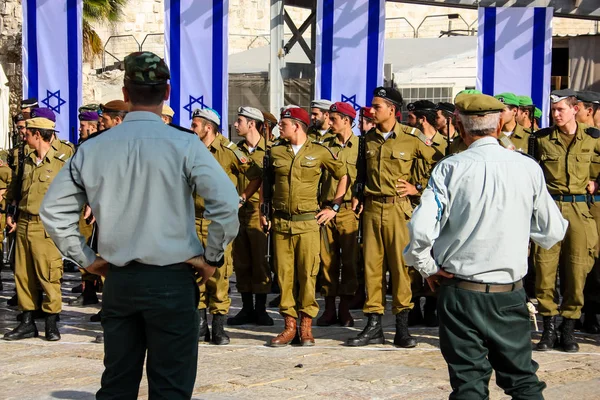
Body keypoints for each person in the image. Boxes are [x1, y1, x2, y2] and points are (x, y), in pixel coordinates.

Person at [39, 51, 239, 399]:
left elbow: (53, 212)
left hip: (120, 281)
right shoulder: (185, 144)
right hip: (173, 281)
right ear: (167, 93)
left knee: (117, 384)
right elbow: (225, 205)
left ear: (125, 93)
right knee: (171, 388)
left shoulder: (92, 148)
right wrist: (212, 257)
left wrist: (86, 258)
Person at [404, 92, 567, 400]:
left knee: (468, 385)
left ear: (460, 127)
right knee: (522, 381)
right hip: (508, 291)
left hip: (460, 290)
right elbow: (553, 230)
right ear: (499, 125)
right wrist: (517, 230)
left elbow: (421, 229)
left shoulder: (450, 168)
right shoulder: (527, 168)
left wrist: (426, 267)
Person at [346, 87, 435, 348]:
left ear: (392, 110)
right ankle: (373, 325)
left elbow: (440, 166)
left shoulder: (412, 137)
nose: (371, 111)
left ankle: (402, 327)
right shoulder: (368, 139)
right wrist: (357, 195)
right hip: (373, 209)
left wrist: (417, 188)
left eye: (377, 106)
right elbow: (361, 174)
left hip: (399, 209)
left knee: (400, 268)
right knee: (372, 268)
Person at [262, 106, 348, 347]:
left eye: (284, 123)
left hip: (308, 224)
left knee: (308, 275)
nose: (281, 126)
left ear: (297, 126)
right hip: (281, 223)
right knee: (284, 276)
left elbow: (343, 174)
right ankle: (289, 326)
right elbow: (266, 184)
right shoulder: (276, 151)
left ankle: (306, 327)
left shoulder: (319, 152)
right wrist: (263, 211)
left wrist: (334, 207)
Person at [532, 89, 600, 353]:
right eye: (553, 110)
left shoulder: (593, 138)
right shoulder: (541, 139)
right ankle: (548, 326)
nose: (555, 114)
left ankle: (569, 326)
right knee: (545, 269)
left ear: (575, 109)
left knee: (577, 270)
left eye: (561, 109)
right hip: (549, 208)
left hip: (580, 211)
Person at [190, 107, 262, 345]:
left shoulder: (229, 152)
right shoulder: (191, 150)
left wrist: (242, 198)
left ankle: (219, 325)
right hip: (193, 219)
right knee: (195, 273)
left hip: (218, 221)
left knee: (219, 272)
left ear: (207, 128)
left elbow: (255, 174)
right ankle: (200, 325)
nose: (192, 130)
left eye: (195, 126)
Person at [2, 115, 71, 342]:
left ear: (38, 135)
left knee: (49, 274)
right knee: (23, 274)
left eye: (28, 133)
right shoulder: (29, 159)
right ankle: (27, 322)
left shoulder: (62, 161)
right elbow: (18, 188)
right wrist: (11, 213)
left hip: (46, 225)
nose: (24, 136)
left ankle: (51, 323)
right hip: (23, 222)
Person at [228, 106, 273, 326]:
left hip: (258, 211)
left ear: (252, 124)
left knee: (260, 260)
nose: (236, 125)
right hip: (239, 211)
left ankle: (261, 309)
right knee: (242, 261)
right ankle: (246, 308)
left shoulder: (270, 150)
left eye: (240, 121)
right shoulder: (235, 150)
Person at [316, 102, 359, 328]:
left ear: (346, 120)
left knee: (350, 262)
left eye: (333, 119)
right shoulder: (323, 145)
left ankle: (345, 308)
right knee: (327, 261)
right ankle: (329, 308)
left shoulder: (360, 146)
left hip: (348, 212)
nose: (329, 122)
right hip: (325, 211)